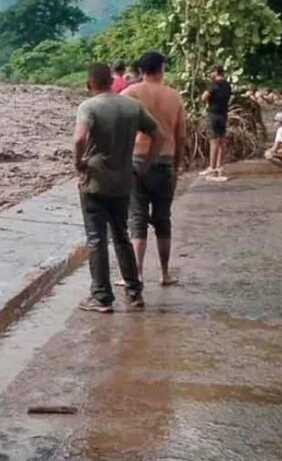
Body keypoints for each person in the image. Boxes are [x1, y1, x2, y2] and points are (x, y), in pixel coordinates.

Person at [74, 63, 165, 312]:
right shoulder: (131, 106)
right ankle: (135, 292)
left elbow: (80, 138)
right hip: (123, 181)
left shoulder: (88, 107)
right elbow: (160, 136)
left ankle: (102, 297)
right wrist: (145, 164)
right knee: (121, 236)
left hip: (94, 180)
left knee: (96, 239)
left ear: (89, 83)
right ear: (111, 81)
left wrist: (79, 163)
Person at [122, 51, 185, 286]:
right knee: (162, 219)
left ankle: (137, 274)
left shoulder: (129, 94)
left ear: (140, 70)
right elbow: (181, 136)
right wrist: (177, 167)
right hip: (165, 161)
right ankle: (165, 273)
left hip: (137, 160)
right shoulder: (174, 97)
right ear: (162, 69)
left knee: (136, 218)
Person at [200, 65, 232, 179]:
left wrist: (208, 100)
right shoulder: (227, 85)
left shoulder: (213, 84)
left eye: (211, 72)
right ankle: (219, 166)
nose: (210, 74)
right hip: (223, 114)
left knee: (213, 142)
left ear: (216, 72)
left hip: (213, 115)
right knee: (222, 141)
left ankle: (212, 168)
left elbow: (204, 97)